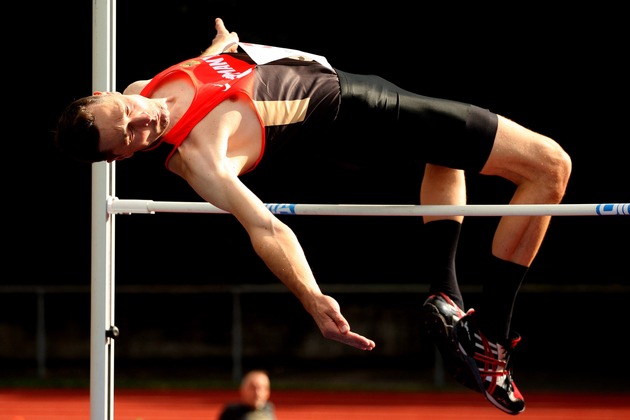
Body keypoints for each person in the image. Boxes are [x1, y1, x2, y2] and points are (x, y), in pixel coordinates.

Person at [54, 17, 572, 415]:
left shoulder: (145, 88)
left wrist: (219, 47)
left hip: (351, 91)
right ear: (123, 156)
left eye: (125, 114)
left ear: (110, 93)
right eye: (132, 138)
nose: (143, 121)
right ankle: (492, 339)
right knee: (550, 166)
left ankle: (446, 297)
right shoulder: (200, 159)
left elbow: (206, 72)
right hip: (363, 113)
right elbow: (266, 227)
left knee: (448, 155)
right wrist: (312, 297)